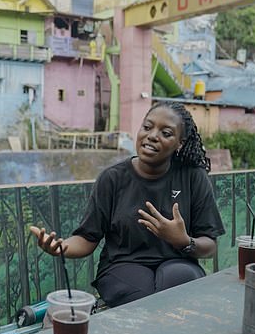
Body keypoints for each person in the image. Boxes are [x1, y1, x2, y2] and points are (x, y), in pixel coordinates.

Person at [30, 101, 225, 308]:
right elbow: (88, 237)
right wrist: (62, 247)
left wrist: (184, 241)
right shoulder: (112, 179)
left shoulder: (193, 177)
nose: (152, 136)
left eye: (166, 133)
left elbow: (209, 245)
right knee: (144, 301)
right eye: (147, 127)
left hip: (179, 263)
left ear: (180, 143)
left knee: (179, 284)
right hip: (122, 265)